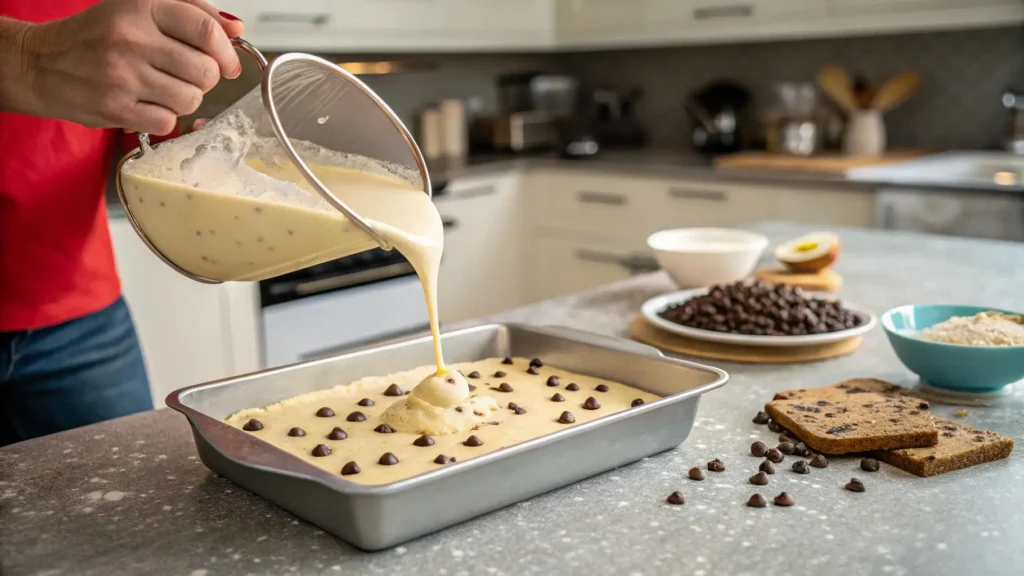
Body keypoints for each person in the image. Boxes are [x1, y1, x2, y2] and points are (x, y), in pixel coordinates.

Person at [0, 0, 244, 446]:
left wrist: (186, 144)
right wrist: (26, 58)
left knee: (133, 500)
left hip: (80, 317)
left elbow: (139, 125)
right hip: (80, 317)